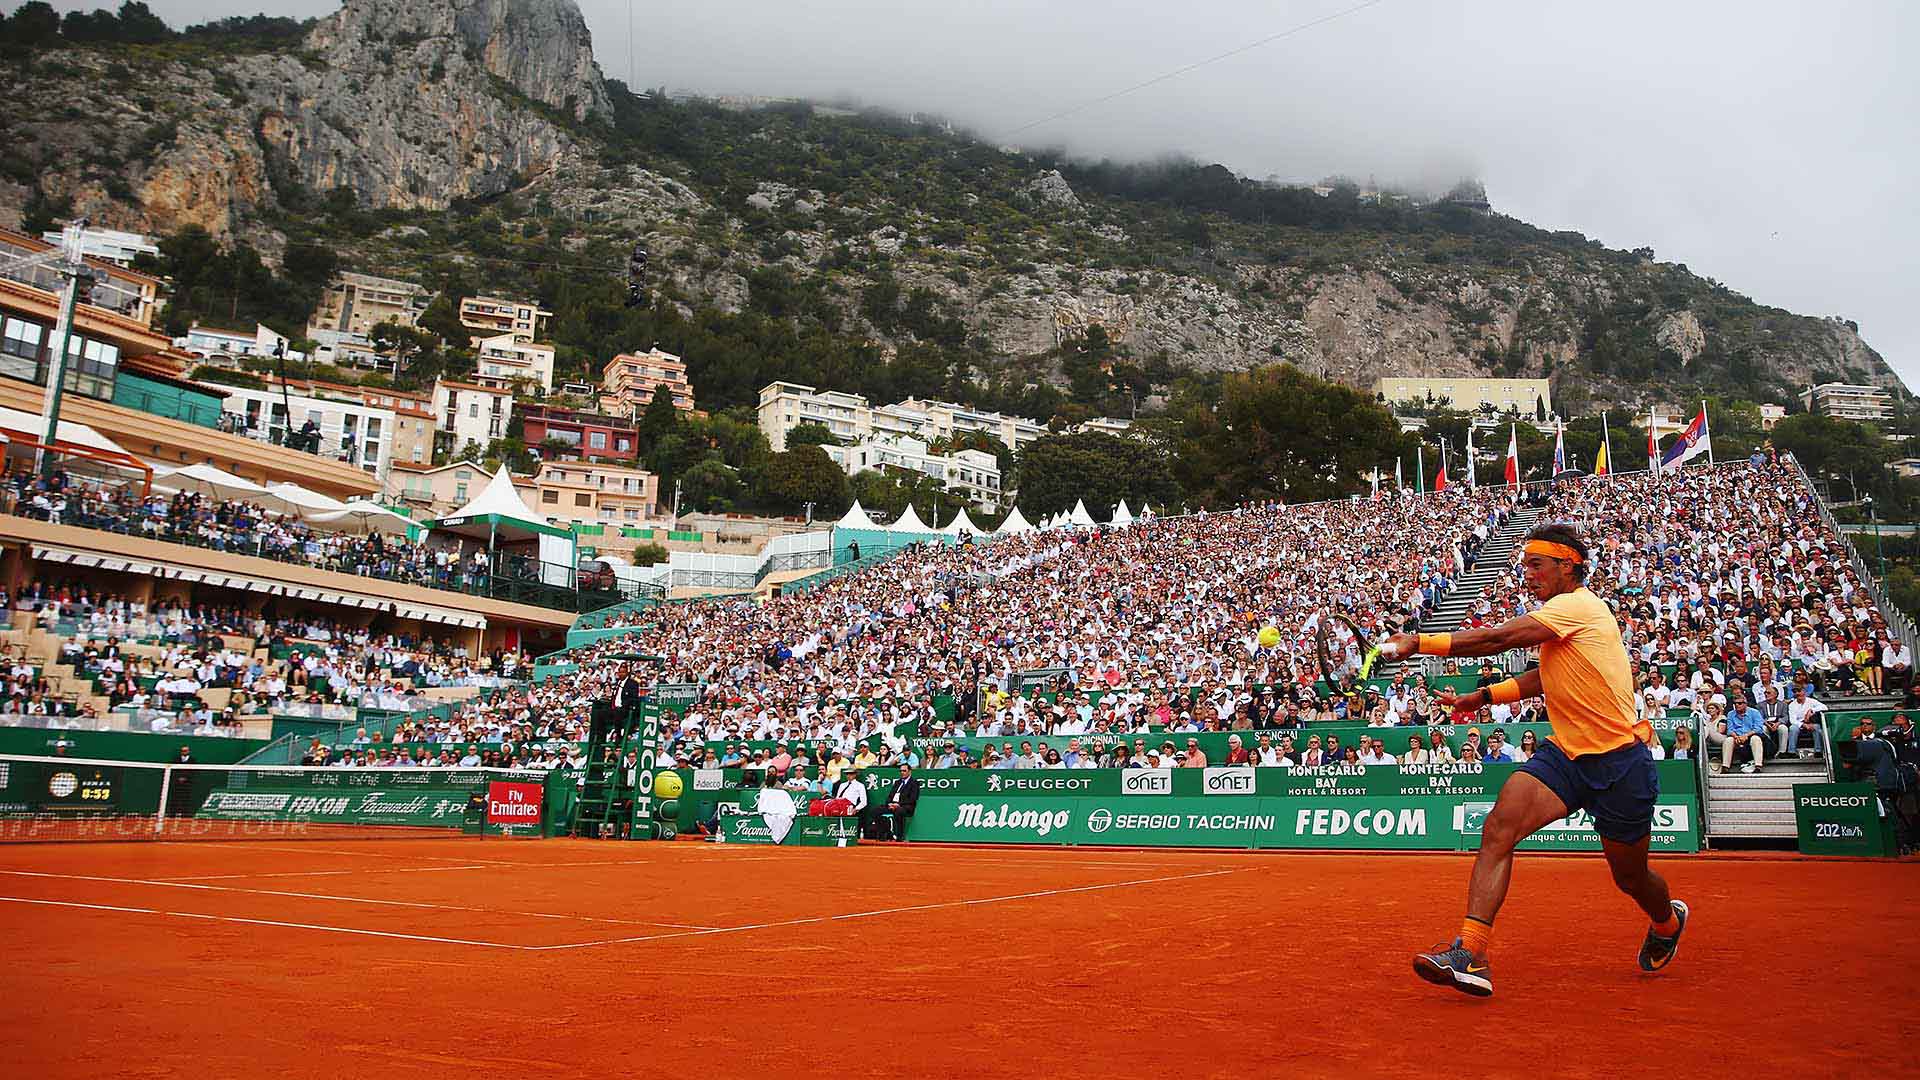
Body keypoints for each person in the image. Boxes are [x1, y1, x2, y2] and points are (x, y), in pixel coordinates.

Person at [1379, 523, 1687, 998]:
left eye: (1536, 564)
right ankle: (1472, 952)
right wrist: (1481, 697)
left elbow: (1498, 640)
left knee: (1629, 876)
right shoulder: (1558, 619)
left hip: (1620, 761)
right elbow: (1540, 678)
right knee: (1499, 827)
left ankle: (1667, 923)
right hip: (1565, 755)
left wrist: (1419, 642)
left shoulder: (1578, 607)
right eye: (1524, 564)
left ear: (1568, 566)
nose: (1527, 574)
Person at [755, 769, 797, 844]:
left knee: (782, 817)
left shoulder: (779, 785)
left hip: (781, 812)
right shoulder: (764, 787)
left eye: (773, 772)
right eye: (769, 772)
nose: (771, 774)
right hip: (768, 812)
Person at [883, 764, 921, 841]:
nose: (902, 772)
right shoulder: (897, 782)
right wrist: (889, 803)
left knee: (898, 811)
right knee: (875, 811)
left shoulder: (914, 783)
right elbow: (890, 796)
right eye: (901, 771)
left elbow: (913, 799)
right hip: (893, 805)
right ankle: (886, 834)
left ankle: (899, 836)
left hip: (905, 807)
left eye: (904, 771)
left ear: (909, 771)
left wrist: (899, 804)